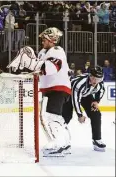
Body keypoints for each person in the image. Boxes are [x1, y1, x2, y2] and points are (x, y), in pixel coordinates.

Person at [7, 27, 71, 157]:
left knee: (51, 116)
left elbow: (52, 67)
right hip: (50, 88)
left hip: (58, 88)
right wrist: (29, 68)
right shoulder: (43, 52)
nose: (42, 41)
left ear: (52, 39)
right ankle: (64, 144)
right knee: (51, 117)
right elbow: (39, 69)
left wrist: (29, 62)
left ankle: (59, 145)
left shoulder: (57, 51)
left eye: (44, 39)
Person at [62, 66, 106, 152]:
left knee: (96, 114)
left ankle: (97, 139)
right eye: (94, 78)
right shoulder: (80, 83)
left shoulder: (100, 82)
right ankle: (59, 140)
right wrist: (80, 115)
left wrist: (96, 101)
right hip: (69, 93)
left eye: (98, 79)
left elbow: (101, 91)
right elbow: (75, 100)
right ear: (90, 76)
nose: (96, 81)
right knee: (66, 117)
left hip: (85, 94)